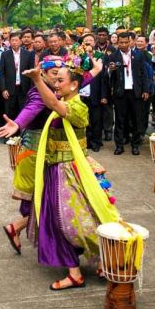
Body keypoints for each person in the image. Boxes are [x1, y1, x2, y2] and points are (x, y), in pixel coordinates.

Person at [21, 59, 119, 290]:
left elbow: (54, 104)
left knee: (76, 223)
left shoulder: (78, 107)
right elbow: (52, 102)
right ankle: (76, 272)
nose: (55, 83)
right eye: (54, 79)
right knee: (57, 222)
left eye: (60, 80)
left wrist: (37, 79)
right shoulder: (65, 100)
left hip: (69, 173)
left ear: (74, 85)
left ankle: (110, 258)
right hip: (55, 170)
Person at [105, 32, 151, 156]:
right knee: (120, 119)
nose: (124, 45)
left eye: (126, 42)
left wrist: (146, 90)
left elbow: (144, 74)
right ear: (117, 42)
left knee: (136, 119)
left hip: (135, 91)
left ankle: (135, 145)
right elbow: (107, 74)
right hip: (120, 92)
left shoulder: (138, 55)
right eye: (121, 43)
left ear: (131, 41)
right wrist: (111, 70)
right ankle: (119, 146)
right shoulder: (113, 56)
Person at [0, 32, 34, 119]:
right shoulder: (5, 55)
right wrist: (3, 89)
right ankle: (10, 131)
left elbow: (31, 73)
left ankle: (22, 131)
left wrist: (30, 90)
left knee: (23, 112)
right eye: (12, 40)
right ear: (9, 42)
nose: (14, 42)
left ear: (20, 41)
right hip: (10, 88)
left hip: (23, 88)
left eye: (16, 40)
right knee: (9, 112)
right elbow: (2, 73)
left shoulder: (28, 54)